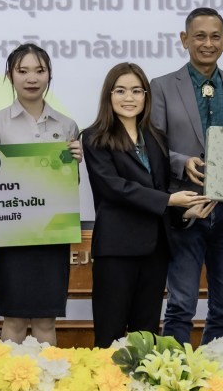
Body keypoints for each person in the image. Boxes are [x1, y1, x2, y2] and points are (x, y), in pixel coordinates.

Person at [149, 7, 223, 345]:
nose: (207, 43)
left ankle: (216, 370)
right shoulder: (162, 87)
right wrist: (181, 162)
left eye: (215, 37)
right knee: (180, 305)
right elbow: (152, 147)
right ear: (184, 40)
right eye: (199, 36)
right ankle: (176, 372)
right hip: (185, 211)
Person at [82, 63, 210, 348]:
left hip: (155, 250)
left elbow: (161, 189)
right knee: (110, 336)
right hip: (117, 250)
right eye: (120, 91)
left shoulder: (156, 137)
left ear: (146, 96)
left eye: (136, 91)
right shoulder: (94, 137)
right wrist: (169, 200)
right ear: (109, 95)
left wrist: (184, 212)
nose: (129, 98)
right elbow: (114, 188)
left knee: (147, 338)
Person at [0, 43, 82, 345]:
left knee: (46, 320)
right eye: (22, 71)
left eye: (39, 70)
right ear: (10, 76)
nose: (31, 78)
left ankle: (48, 377)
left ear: (49, 74)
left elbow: (70, 186)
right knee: (13, 319)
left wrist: (75, 163)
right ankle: (9, 377)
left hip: (51, 235)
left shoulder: (67, 125)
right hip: (11, 234)